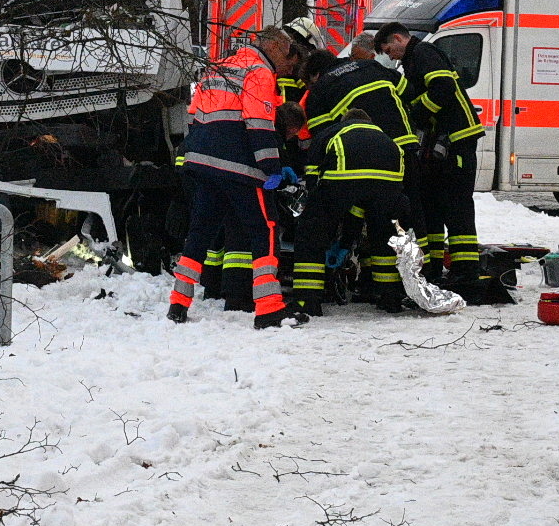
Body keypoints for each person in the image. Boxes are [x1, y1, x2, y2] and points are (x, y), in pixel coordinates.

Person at [167, 24, 307, 329]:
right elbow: (258, 123)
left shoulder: (218, 67)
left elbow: (193, 115)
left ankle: (178, 303)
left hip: (202, 162)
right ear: (271, 47)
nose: (288, 63)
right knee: (266, 230)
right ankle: (270, 309)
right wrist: (272, 168)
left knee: (200, 232)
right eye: (286, 54)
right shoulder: (259, 70)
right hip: (239, 168)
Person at [375, 22, 484, 286]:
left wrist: (414, 112)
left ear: (399, 38)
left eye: (389, 49)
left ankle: (466, 271)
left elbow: (443, 89)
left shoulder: (424, 53)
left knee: (457, 207)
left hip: (458, 140)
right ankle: (436, 267)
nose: (390, 56)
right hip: (443, 145)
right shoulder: (414, 61)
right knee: (434, 204)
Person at [293, 107, 415, 315]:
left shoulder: (332, 132)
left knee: (310, 234)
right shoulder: (386, 137)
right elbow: (362, 206)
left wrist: (318, 212)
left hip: (343, 178)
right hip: (387, 185)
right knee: (383, 237)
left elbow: (312, 174)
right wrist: (347, 241)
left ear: (345, 120)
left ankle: (308, 301)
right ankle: (390, 298)